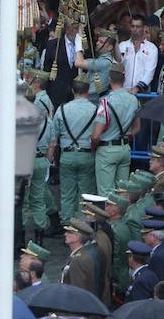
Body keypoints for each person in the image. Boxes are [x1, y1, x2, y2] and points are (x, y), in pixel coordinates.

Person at [49, 76, 98, 223]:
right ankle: (82, 226)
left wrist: (50, 157)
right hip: (87, 154)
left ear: (72, 90)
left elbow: (54, 137)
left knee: (67, 193)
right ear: (88, 90)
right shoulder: (95, 110)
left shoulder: (62, 109)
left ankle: (67, 225)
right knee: (86, 193)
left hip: (67, 155)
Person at [92, 63, 139, 197]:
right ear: (124, 79)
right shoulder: (133, 100)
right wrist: (126, 136)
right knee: (122, 192)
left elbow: (96, 135)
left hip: (107, 148)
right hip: (125, 148)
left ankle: (108, 217)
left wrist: (96, 145)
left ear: (109, 79)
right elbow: (137, 127)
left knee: (106, 194)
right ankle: (120, 217)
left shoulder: (105, 102)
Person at [23, 68, 55, 245]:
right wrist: (47, 161)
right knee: (38, 199)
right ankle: (39, 238)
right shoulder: (47, 121)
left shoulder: (23, 120)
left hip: (27, 161)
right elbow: (52, 142)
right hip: (42, 159)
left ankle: (19, 236)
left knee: (24, 200)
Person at [43, 21, 80, 109]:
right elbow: (46, 70)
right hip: (56, 93)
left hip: (76, 94)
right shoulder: (53, 45)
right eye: (75, 29)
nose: (77, 32)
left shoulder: (83, 46)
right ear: (67, 29)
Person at [61, 218, 102, 297]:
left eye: (69, 232)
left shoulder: (79, 260)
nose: (65, 234)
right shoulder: (86, 252)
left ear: (77, 237)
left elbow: (77, 292)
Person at [74, 27, 117, 103]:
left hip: (94, 99)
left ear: (110, 47)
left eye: (101, 42)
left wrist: (78, 45)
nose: (97, 43)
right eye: (98, 40)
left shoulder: (104, 62)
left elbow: (78, 63)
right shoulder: (102, 59)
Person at [119, 15, 158, 94]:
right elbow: (118, 65)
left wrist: (137, 88)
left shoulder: (152, 48)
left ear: (143, 28)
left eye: (138, 26)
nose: (135, 29)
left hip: (143, 93)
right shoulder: (122, 45)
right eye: (132, 26)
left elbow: (149, 72)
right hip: (124, 92)